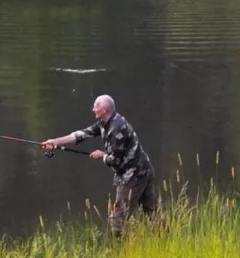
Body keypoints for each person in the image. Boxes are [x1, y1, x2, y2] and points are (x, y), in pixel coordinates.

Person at [42, 94, 156, 236]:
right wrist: (55, 142)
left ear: (104, 109)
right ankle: (164, 240)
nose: (93, 109)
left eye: (96, 106)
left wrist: (101, 155)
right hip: (143, 169)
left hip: (133, 175)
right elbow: (81, 134)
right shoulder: (104, 122)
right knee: (151, 213)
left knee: (118, 221)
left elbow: (116, 160)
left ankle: (121, 252)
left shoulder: (117, 128)